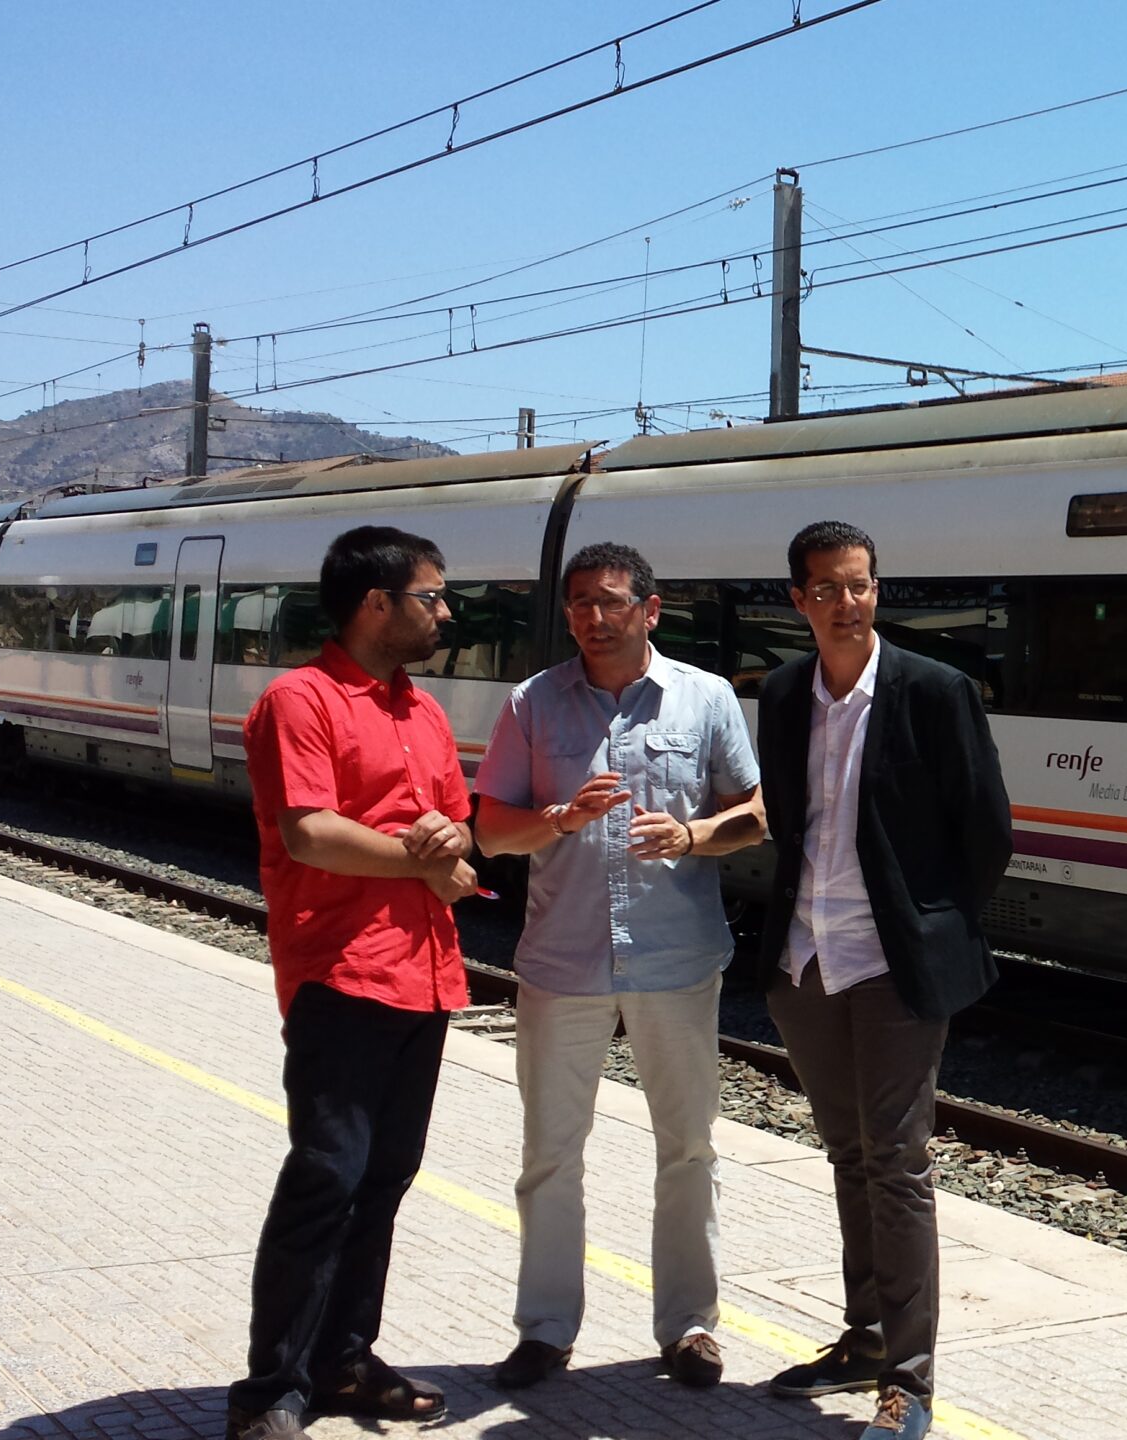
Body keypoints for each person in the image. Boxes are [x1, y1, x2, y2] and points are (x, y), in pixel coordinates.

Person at [472, 542, 763, 1391]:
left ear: (650, 609)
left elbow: (753, 813)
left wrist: (693, 835)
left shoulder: (705, 697)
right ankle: (545, 1330)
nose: (593, 619)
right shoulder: (533, 702)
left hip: (677, 960)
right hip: (562, 963)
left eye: (610, 602)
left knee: (690, 1147)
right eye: (579, 605)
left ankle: (690, 1327)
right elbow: (490, 829)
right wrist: (559, 819)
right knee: (550, 1153)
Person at [749, 521, 1011, 1440]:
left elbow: (986, 830)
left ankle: (909, 1377)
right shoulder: (785, 692)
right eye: (826, 588)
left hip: (893, 963)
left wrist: (930, 925)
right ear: (799, 600)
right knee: (850, 1155)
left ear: (876, 590)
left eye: (859, 585)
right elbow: (791, 819)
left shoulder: (934, 691)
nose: (846, 602)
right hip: (806, 958)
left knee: (896, 1162)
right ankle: (864, 1338)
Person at [225, 526, 480, 1440]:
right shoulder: (300, 702)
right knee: (325, 1178)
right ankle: (269, 1391)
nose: (445, 613)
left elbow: (457, 828)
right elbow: (310, 833)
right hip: (342, 972)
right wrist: (424, 859)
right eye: (432, 596)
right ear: (377, 604)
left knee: (384, 1180)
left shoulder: (424, 712)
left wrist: (451, 842)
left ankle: (343, 1360)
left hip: (426, 974)